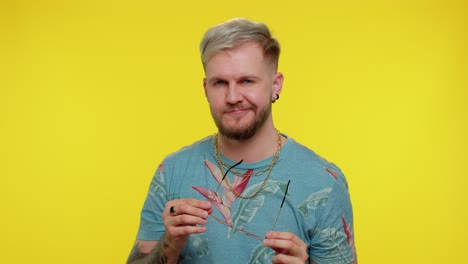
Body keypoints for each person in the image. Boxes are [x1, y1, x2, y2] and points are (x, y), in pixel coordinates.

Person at [127, 18, 357, 264]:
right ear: (206, 89)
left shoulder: (324, 182)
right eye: (220, 83)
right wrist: (170, 244)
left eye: (247, 81)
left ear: (275, 85)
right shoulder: (171, 172)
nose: (233, 97)